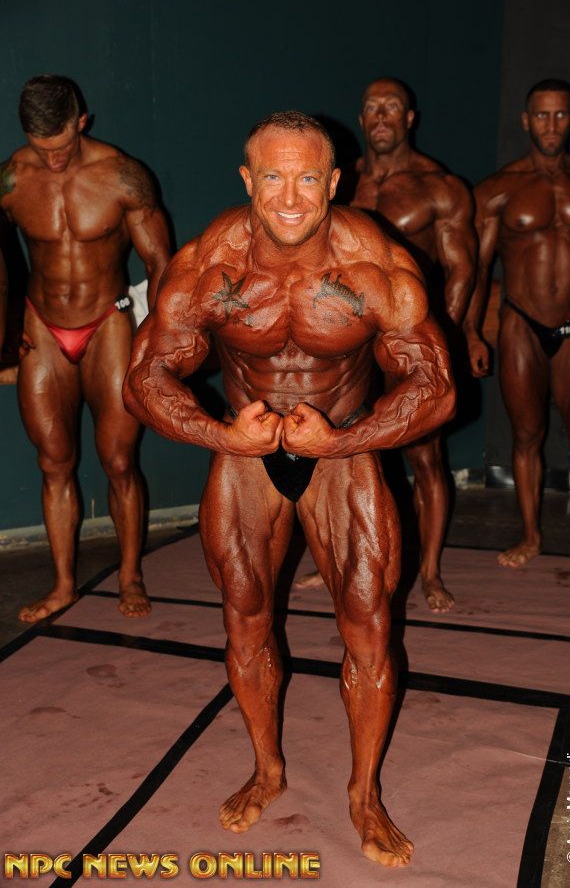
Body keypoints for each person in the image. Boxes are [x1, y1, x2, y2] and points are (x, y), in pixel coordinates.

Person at [124, 111, 455, 867]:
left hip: (341, 450)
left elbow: (435, 387)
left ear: (334, 182)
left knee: (368, 624)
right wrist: (220, 436)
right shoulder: (210, 263)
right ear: (247, 179)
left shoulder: (375, 263)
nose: (291, 197)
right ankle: (266, 769)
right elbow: (144, 377)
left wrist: (342, 441)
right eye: (273, 176)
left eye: (308, 177)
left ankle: (363, 794)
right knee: (244, 619)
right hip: (246, 452)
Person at [295, 78, 476, 612]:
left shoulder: (438, 186)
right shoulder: (340, 183)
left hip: (408, 338)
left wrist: (441, 343)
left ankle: (430, 572)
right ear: (361, 117)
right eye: (371, 107)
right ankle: (332, 557)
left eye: (391, 107)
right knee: (332, 454)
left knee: (425, 455)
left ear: (409, 118)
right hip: (350, 343)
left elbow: (461, 270)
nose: (380, 116)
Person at [0, 75, 171, 621]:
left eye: (62, 147)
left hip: (108, 325)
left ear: (81, 122)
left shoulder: (122, 175)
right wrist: (4, 333)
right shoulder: (12, 177)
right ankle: (63, 585)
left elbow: (161, 264)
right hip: (42, 328)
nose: (52, 162)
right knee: (54, 462)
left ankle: (130, 575)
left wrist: (157, 341)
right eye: (41, 149)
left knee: (119, 460)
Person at [464, 79, 570, 566]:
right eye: (542, 115)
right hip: (521, 323)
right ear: (526, 121)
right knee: (527, 434)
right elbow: (478, 269)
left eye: (560, 114)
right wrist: (471, 331)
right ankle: (530, 535)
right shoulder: (499, 189)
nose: (551, 124)